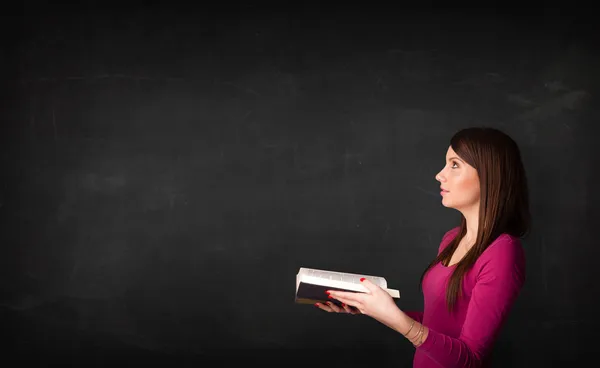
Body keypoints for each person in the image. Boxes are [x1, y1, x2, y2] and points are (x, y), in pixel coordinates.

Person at [318, 127, 530, 368]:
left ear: (489, 175)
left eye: (455, 165)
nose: (440, 175)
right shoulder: (452, 239)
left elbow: (470, 359)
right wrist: (375, 308)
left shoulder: (502, 253)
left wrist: (397, 320)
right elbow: (439, 325)